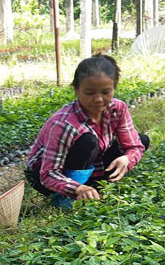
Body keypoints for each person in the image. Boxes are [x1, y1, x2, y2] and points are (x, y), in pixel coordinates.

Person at [25, 54, 150, 208]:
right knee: (88, 141)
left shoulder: (118, 108)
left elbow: (135, 147)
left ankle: (92, 186)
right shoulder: (64, 123)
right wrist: (77, 188)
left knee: (142, 140)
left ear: (114, 88)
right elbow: (48, 174)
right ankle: (65, 197)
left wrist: (126, 159)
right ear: (77, 90)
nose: (98, 99)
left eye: (106, 92)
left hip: (92, 162)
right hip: (45, 175)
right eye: (90, 93)